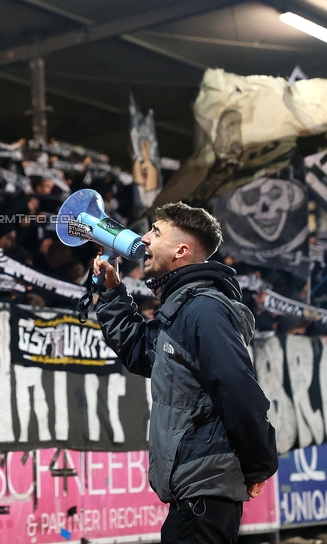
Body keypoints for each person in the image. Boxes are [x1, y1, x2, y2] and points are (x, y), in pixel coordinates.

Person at [92, 202, 278, 544]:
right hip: (196, 490)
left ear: (181, 250)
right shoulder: (181, 310)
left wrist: (258, 464)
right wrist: (111, 291)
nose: (144, 239)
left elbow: (238, 390)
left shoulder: (203, 310)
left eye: (156, 232)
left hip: (204, 488)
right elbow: (139, 350)